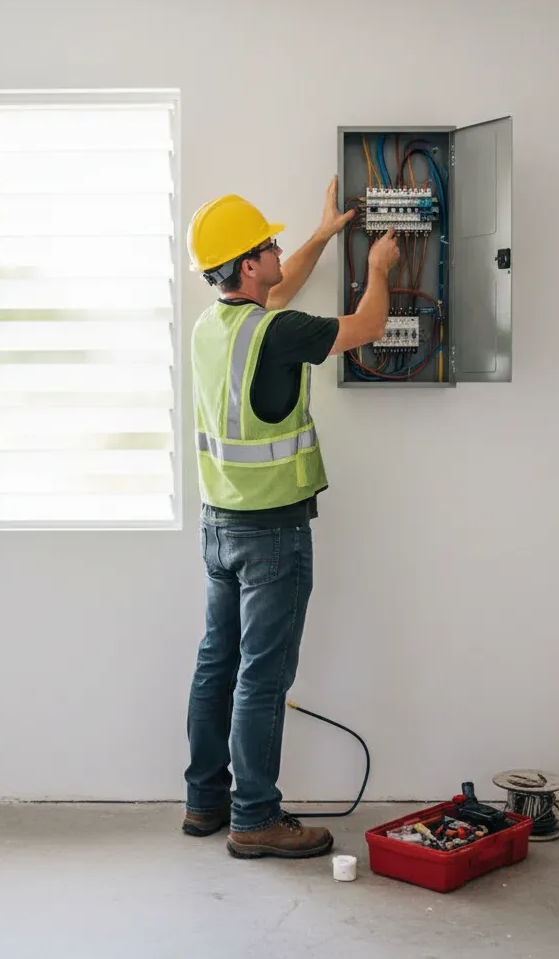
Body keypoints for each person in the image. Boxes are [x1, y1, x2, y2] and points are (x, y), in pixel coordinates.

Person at [182, 178, 399, 859]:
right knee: (263, 676)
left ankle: (205, 804)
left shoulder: (213, 326)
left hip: (219, 526)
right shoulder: (276, 332)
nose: (279, 253)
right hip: (273, 533)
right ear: (248, 265)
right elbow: (366, 328)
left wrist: (323, 234)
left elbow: (279, 288)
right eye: (268, 246)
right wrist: (376, 269)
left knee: (218, 665)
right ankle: (255, 819)